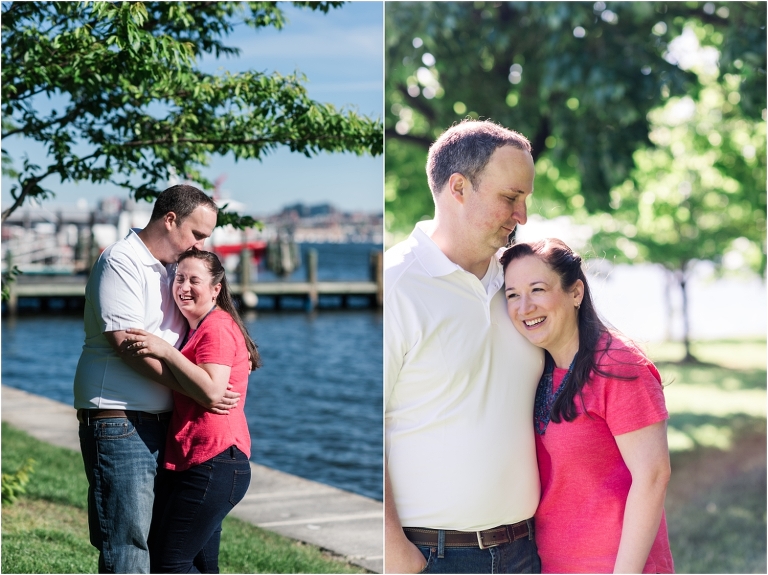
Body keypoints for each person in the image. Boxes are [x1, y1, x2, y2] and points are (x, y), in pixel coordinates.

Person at [385, 119, 544, 574]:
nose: (522, 216)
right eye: (510, 198)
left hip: (525, 550)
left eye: (525, 200)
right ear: (458, 187)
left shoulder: (520, 286)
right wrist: (397, 555)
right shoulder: (396, 285)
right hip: (433, 556)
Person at [73, 184, 230, 573]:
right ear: (170, 219)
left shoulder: (172, 272)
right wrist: (200, 390)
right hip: (119, 419)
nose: (199, 245)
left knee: (158, 543)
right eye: (197, 234)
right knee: (128, 545)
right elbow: (128, 345)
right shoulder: (122, 261)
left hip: (159, 423)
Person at [501, 238, 674, 574]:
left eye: (537, 289)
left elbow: (653, 475)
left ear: (575, 292)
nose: (524, 307)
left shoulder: (618, 365)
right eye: (512, 295)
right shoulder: (538, 369)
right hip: (551, 564)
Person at [123, 249, 260, 573]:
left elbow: (212, 389)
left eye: (194, 280)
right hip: (202, 462)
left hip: (214, 462)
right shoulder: (200, 328)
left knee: (170, 561)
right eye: (179, 278)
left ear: (215, 288)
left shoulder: (216, 327)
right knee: (199, 563)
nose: (184, 286)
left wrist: (165, 351)